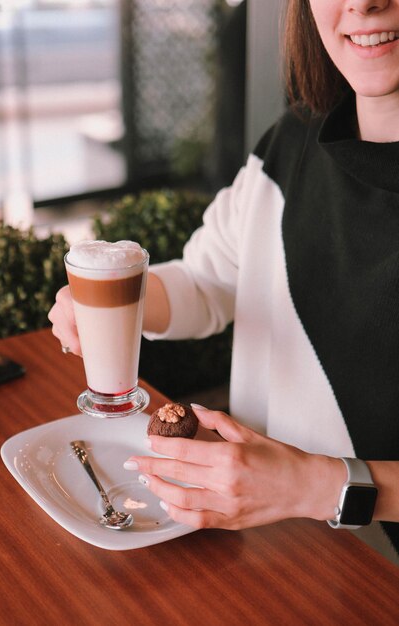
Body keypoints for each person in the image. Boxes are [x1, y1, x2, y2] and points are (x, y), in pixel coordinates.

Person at [49, 0, 399, 565]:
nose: (362, 3)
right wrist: (112, 307)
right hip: (270, 549)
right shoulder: (292, 140)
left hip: (373, 573)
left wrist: (317, 485)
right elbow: (208, 279)